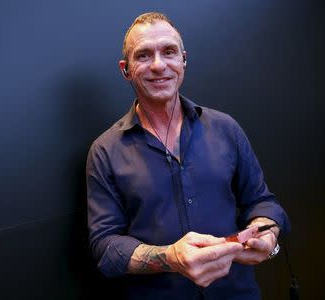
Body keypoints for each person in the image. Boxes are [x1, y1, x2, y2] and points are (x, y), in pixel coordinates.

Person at [86, 12, 290, 299]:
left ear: (183, 59)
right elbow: (105, 246)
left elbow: (262, 203)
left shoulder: (226, 128)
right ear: (126, 69)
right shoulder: (105, 151)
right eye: (144, 55)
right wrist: (170, 256)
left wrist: (266, 234)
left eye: (169, 52)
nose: (159, 65)